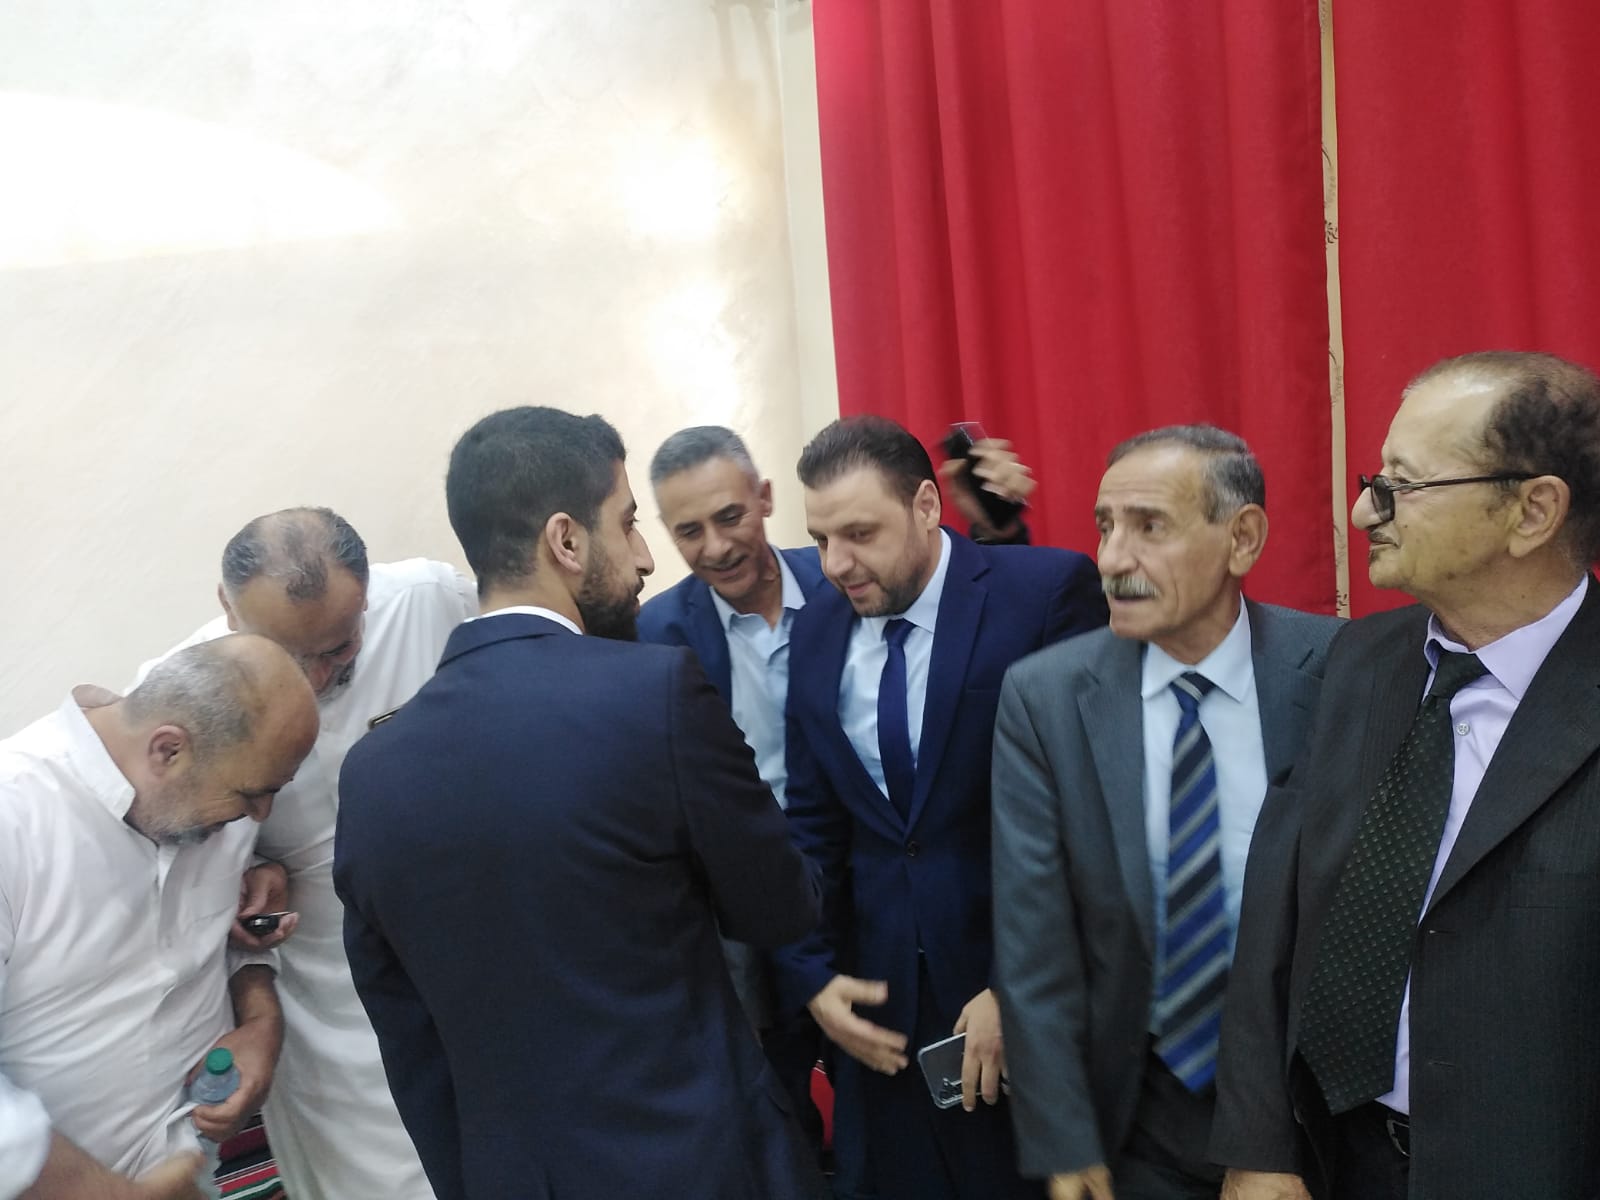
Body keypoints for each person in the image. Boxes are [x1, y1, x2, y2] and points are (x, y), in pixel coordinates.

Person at [334, 406, 828, 1200]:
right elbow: (778, 906)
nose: (644, 558)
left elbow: (409, 1039)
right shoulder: (654, 692)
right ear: (565, 541)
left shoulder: (369, 775)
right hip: (700, 1162)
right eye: (627, 524)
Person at [1212, 351, 1600, 1200]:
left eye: (1402, 485)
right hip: (1339, 1159)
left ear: (1533, 510)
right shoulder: (1359, 662)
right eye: (1371, 480)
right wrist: (1261, 1145)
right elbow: (1276, 913)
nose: (1363, 510)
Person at [638, 425, 1041, 1176]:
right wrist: (809, 970)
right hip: (769, 921)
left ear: (763, 501)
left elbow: (989, 646)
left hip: (930, 922)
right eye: (688, 531)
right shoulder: (655, 634)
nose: (715, 546)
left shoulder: (838, 591)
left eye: (729, 517)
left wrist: (999, 534)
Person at [989, 426, 1341, 1200]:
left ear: (1242, 539)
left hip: (1314, 1114)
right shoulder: (1046, 698)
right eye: (1105, 526)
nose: (1112, 559)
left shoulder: (1340, 672)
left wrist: (1274, 1140)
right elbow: (1034, 942)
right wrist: (1064, 1139)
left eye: (1149, 527)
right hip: (1140, 1114)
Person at [773, 414, 1108, 1200]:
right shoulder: (817, 628)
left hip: (1024, 1009)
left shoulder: (1045, 593)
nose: (836, 563)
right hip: (881, 1020)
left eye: (860, 533)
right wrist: (813, 976)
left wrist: (1013, 987)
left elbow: (1089, 816)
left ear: (926, 505)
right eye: (820, 539)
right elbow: (813, 826)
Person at [142, 508, 476, 1200]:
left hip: (471, 940)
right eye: (290, 658)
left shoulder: (430, 601)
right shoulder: (174, 692)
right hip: (320, 987)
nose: (317, 679)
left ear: (367, 593)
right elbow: (180, 878)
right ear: (227, 609)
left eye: (340, 648)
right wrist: (244, 879)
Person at [0, 637, 318, 1192]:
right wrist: (103, 1192)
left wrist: (260, 1019)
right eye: (251, 795)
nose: (259, 815)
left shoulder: (206, 803)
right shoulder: (15, 817)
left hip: (197, 1171)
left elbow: (219, 938)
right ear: (168, 751)